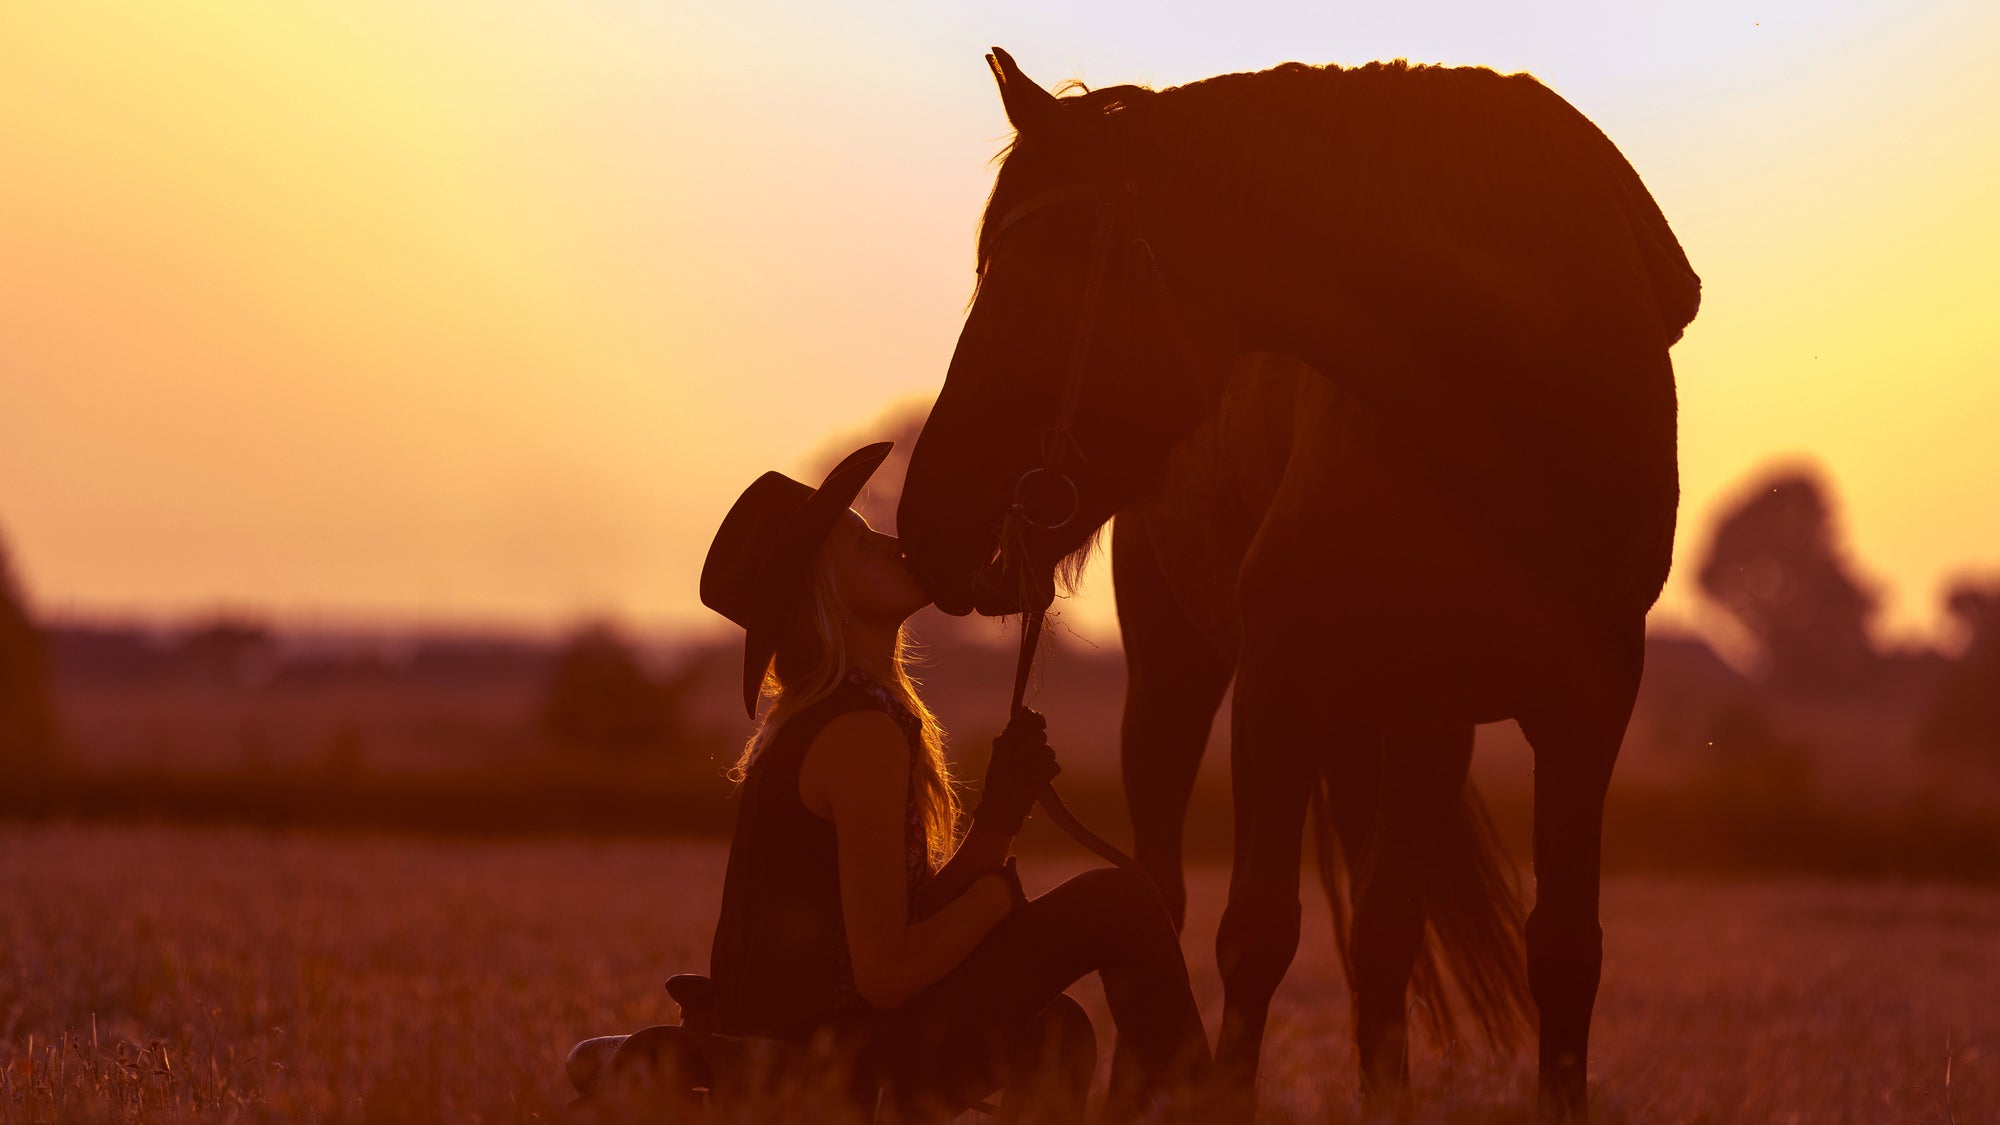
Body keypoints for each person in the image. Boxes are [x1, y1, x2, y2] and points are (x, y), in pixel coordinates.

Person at [696, 441, 1211, 1121]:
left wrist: (998, 817)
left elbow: (891, 929)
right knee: (1118, 902)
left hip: (835, 1048)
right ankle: (1213, 1107)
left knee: (1053, 1032)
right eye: (858, 546)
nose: (888, 543)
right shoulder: (858, 734)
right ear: (825, 599)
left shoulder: (833, 720)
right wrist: (996, 898)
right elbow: (885, 973)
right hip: (831, 1070)